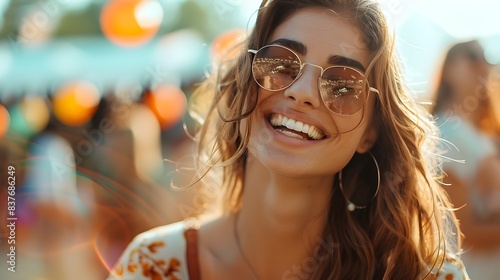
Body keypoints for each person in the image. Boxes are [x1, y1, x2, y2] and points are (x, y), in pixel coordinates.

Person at [107, 0, 469, 279]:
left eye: (343, 84)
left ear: (370, 132)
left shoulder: (420, 274)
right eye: (280, 63)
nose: (302, 92)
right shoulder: (152, 264)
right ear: (244, 87)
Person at [432, 40, 500, 280]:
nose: (483, 65)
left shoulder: (485, 136)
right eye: (472, 56)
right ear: (449, 69)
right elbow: (464, 231)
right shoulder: (444, 134)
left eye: (487, 58)